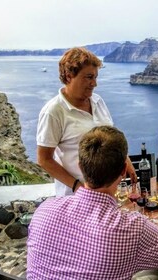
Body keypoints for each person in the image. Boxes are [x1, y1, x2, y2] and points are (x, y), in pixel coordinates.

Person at [27, 125, 158, 279]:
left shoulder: (44, 210)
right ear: (123, 171)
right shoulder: (131, 228)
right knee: (157, 272)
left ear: (80, 166)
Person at [36, 47, 137, 197]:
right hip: (75, 197)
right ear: (69, 76)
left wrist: (125, 160)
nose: (94, 83)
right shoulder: (53, 111)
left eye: (96, 77)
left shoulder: (97, 101)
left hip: (108, 194)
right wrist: (77, 186)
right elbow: (44, 160)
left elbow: (111, 138)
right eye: (89, 77)